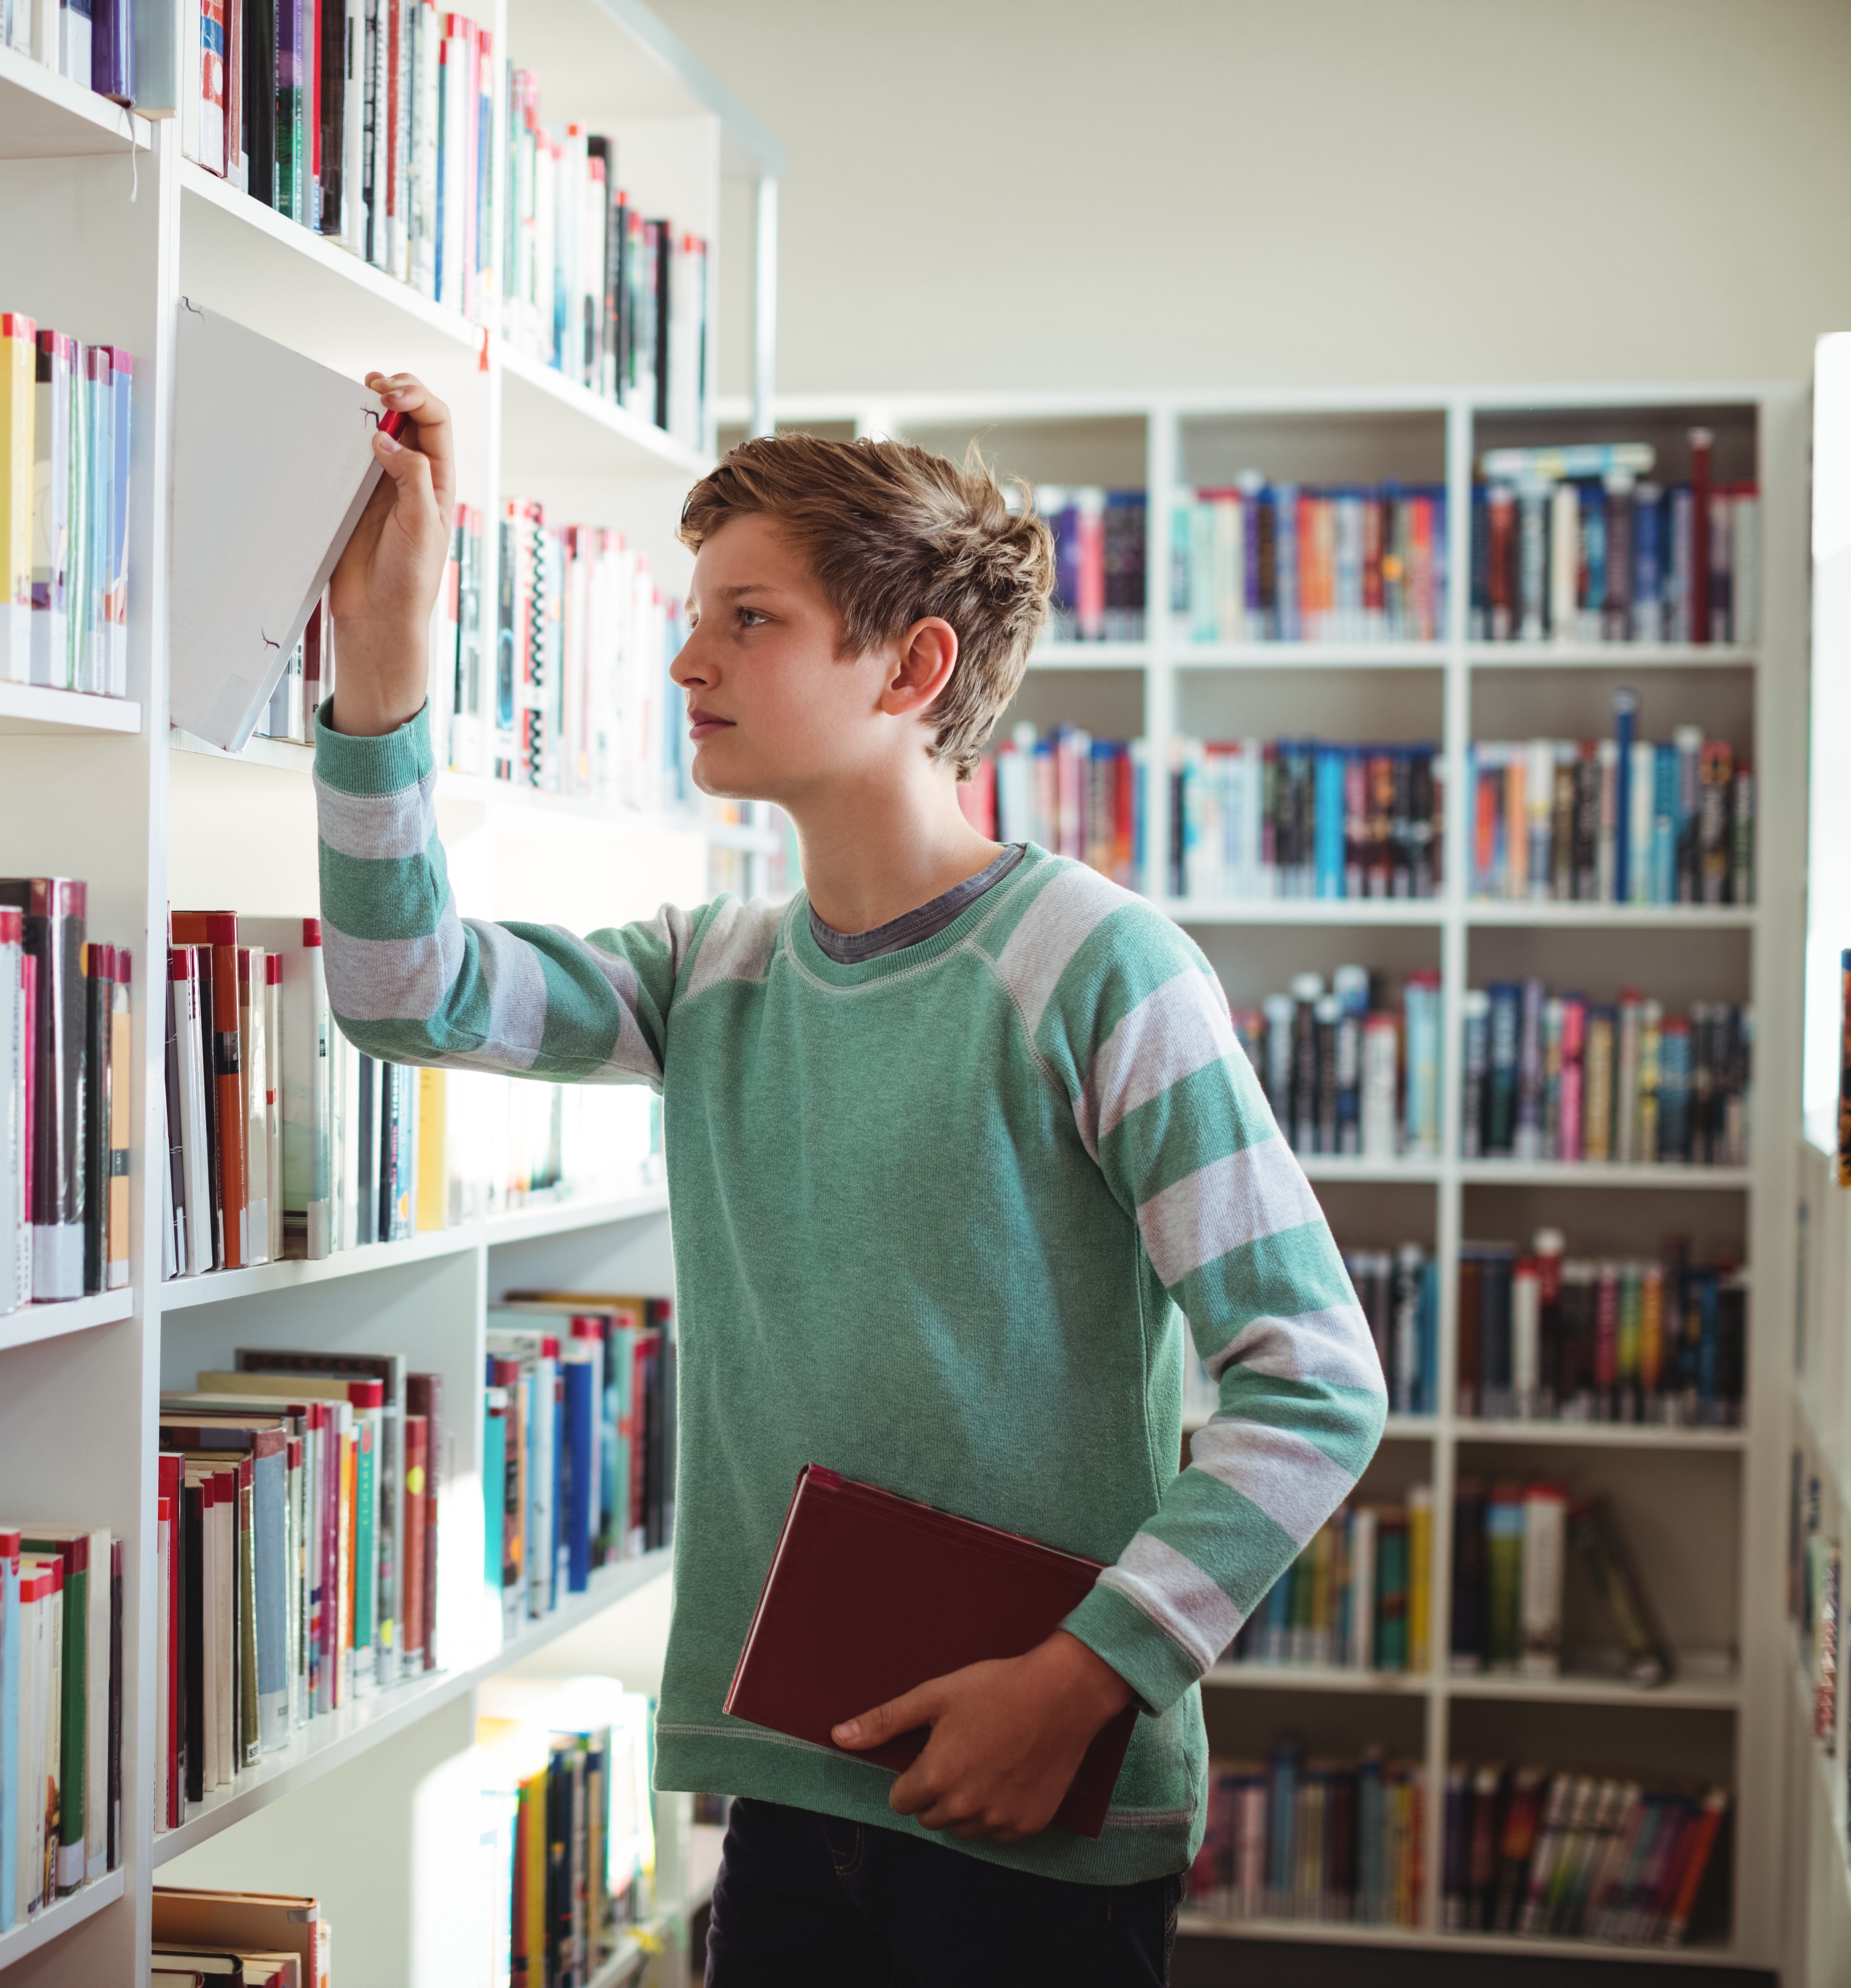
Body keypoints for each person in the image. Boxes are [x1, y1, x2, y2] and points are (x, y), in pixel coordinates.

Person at [315, 375, 1386, 1985]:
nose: (689, 660)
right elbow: (404, 991)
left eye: (748, 619)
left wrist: (1085, 1677)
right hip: (784, 1782)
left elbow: (1309, 1381)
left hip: (1034, 1803)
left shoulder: (1099, 967)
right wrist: (385, 648)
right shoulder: (710, 970)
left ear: (913, 665)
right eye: (697, 617)